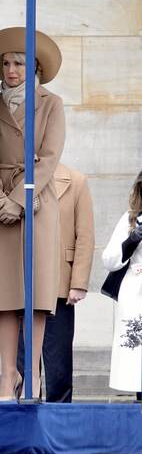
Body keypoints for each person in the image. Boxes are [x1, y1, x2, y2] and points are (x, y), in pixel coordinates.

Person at [0, 27, 65, 400]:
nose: (11, 70)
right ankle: (8, 376)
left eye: (19, 63)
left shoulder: (51, 103)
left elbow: (51, 157)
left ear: (34, 67)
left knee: (36, 294)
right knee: (4, 295)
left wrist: (20, 200)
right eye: (6, 63)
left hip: (36, 203)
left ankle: (34, 376)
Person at [16, 162, 94, 402]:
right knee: (23, 360)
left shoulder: (76, 180)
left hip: (59, 282)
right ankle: (23, 416)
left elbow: (85, 235)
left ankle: (59, 416)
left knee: (58, 361)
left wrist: (78, 282)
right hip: (23, 284)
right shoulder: (16, 179)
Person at [102, 170, 142, 396]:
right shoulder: (130, 218)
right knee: (136, 353)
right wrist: (131, 241)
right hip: (135, 293)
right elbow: (108, 260)